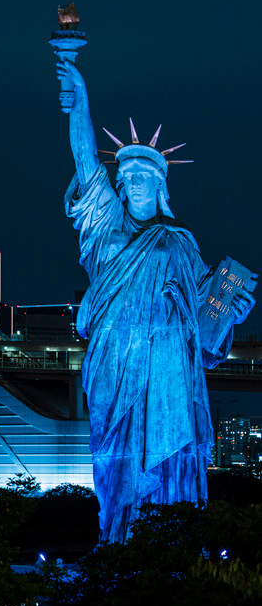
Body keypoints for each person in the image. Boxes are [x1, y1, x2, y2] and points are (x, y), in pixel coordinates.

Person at [56, 56, 255, 543]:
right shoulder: (106, 231)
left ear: (162, 186)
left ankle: (170, 547)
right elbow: (85, 161)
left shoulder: (180, 244)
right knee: (117, 468)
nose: (134, 186)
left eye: (145, 178)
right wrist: (78, 100)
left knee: (171, 468)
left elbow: (206, 315)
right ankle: (118, 544)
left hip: (168, 370)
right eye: (126, 181)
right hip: (117, 369)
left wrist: (231, 315)